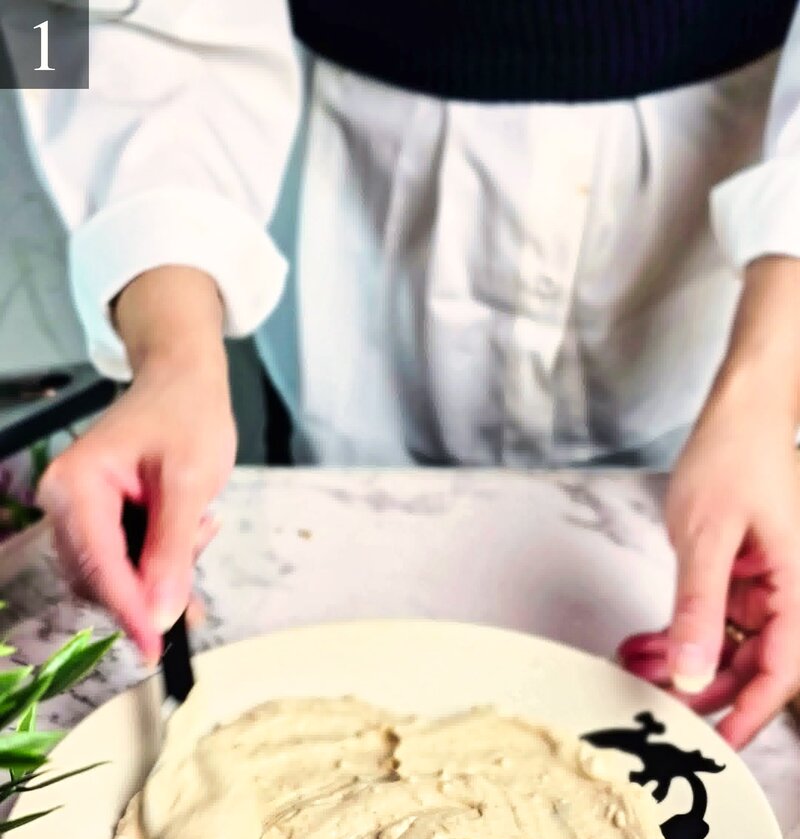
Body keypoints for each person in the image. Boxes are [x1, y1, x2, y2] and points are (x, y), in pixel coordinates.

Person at [14, 0, 800, 746]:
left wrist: (769, 393)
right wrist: (173, 351)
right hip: (360, 213)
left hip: (730, 228)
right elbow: (135, 25)